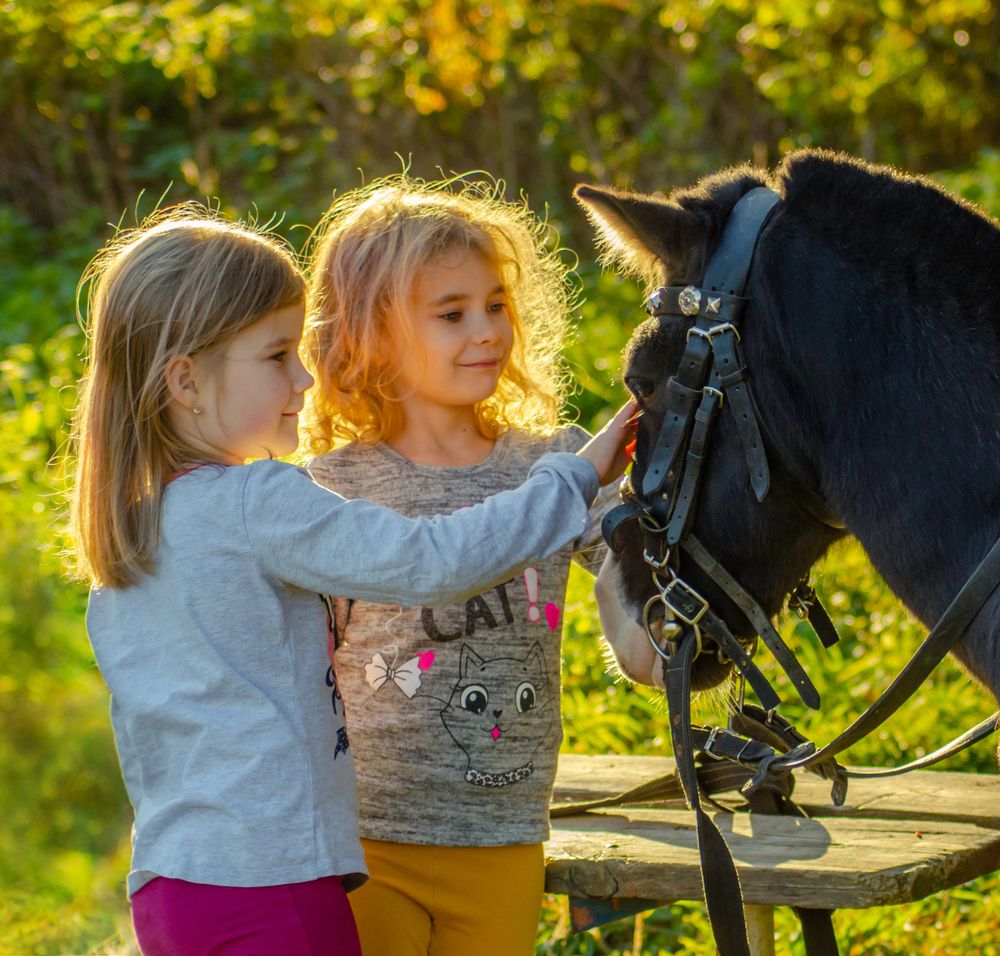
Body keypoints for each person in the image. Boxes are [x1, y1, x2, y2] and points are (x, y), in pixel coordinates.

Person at [68, 203, 634, 956]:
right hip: (283, 882)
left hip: (174, 884)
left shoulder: (134, 529)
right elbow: (433, 563)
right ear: (186, 381)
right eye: (276, 357)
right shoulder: (261, 501)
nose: (302, 375)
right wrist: (573, 475)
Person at [304, 174, 623, 956]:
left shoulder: (555, 466)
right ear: (374, 333)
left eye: (495, 305)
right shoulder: (331, 487)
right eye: (451, 315)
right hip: (367, 842)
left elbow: (640, 622)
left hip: (504, 835)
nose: (485, 331)